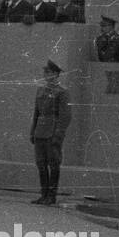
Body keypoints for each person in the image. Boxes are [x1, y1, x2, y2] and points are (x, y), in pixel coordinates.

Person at [29, 60, 70, 204]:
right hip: (40, 131)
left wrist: (58, 135)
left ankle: (52, 195)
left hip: (52, 132)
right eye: (45, 72)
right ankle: (44, 193)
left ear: (56, 74)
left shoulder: (62, 91)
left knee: (53, 164)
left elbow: (65, 116)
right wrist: (33, 131)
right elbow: (37, 113)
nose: (47, 75)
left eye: (50, 73)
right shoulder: (40, 90)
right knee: (41, 163)